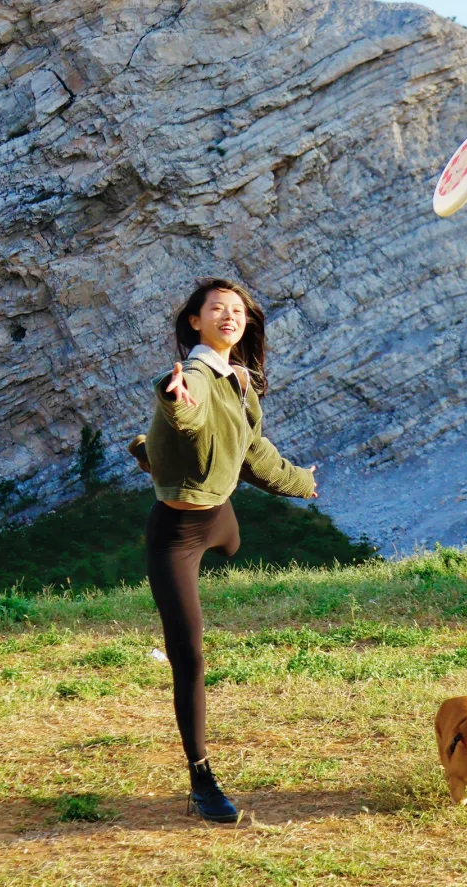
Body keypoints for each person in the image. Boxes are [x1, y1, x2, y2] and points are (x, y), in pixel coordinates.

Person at [128, 277, 317, 824]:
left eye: (236, 309)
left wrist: (302, 482)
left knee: (230, 534)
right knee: (189, 657)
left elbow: (253, 452)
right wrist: (172, 407)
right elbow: (185, 412)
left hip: (220, 517)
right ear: (196, 321)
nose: (228, 315)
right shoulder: (194, 376)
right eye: (217, 308)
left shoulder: (237, 379)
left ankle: (217, 527)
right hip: (178, 535)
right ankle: (202, 780)